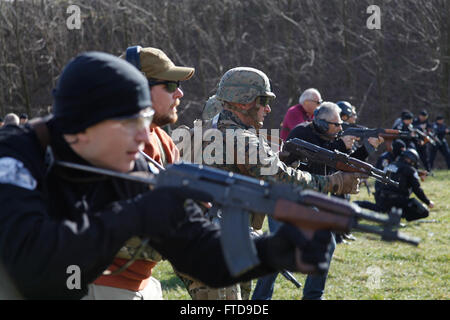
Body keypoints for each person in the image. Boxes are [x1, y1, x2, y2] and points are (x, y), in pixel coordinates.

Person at [0, 52, 334, 299]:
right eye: (132, 123)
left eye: (146, 122)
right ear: (86, 122)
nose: (146, 139)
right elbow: (34, 266)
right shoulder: (14, 158)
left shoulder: (127, 164)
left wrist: (274, 250)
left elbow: (200, 253)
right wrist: (137, 215)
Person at [192, 68, 363, 301]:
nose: (268, 109)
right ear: (244, 102)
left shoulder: (212, 129)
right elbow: (284, 180)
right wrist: (335, 182)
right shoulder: (239, 137)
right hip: (220, 243)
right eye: (263, 101)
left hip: (221, 237)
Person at [84, 46, 192, 299]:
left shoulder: (163, 141)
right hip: (101, 284)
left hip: (144, 282)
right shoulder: (105, 136)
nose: (180, 92)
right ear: (137, 88)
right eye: (170, 85)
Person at [363, 149, 434, 221]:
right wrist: (428, 202)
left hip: (382, 199)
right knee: (425, 212)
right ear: (411, 160)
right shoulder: (410, 170)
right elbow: (417, 189)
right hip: (398, 202)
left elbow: (382, 181)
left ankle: (391, 213)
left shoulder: (390, 165)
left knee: (375, 207)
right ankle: (401, 216)